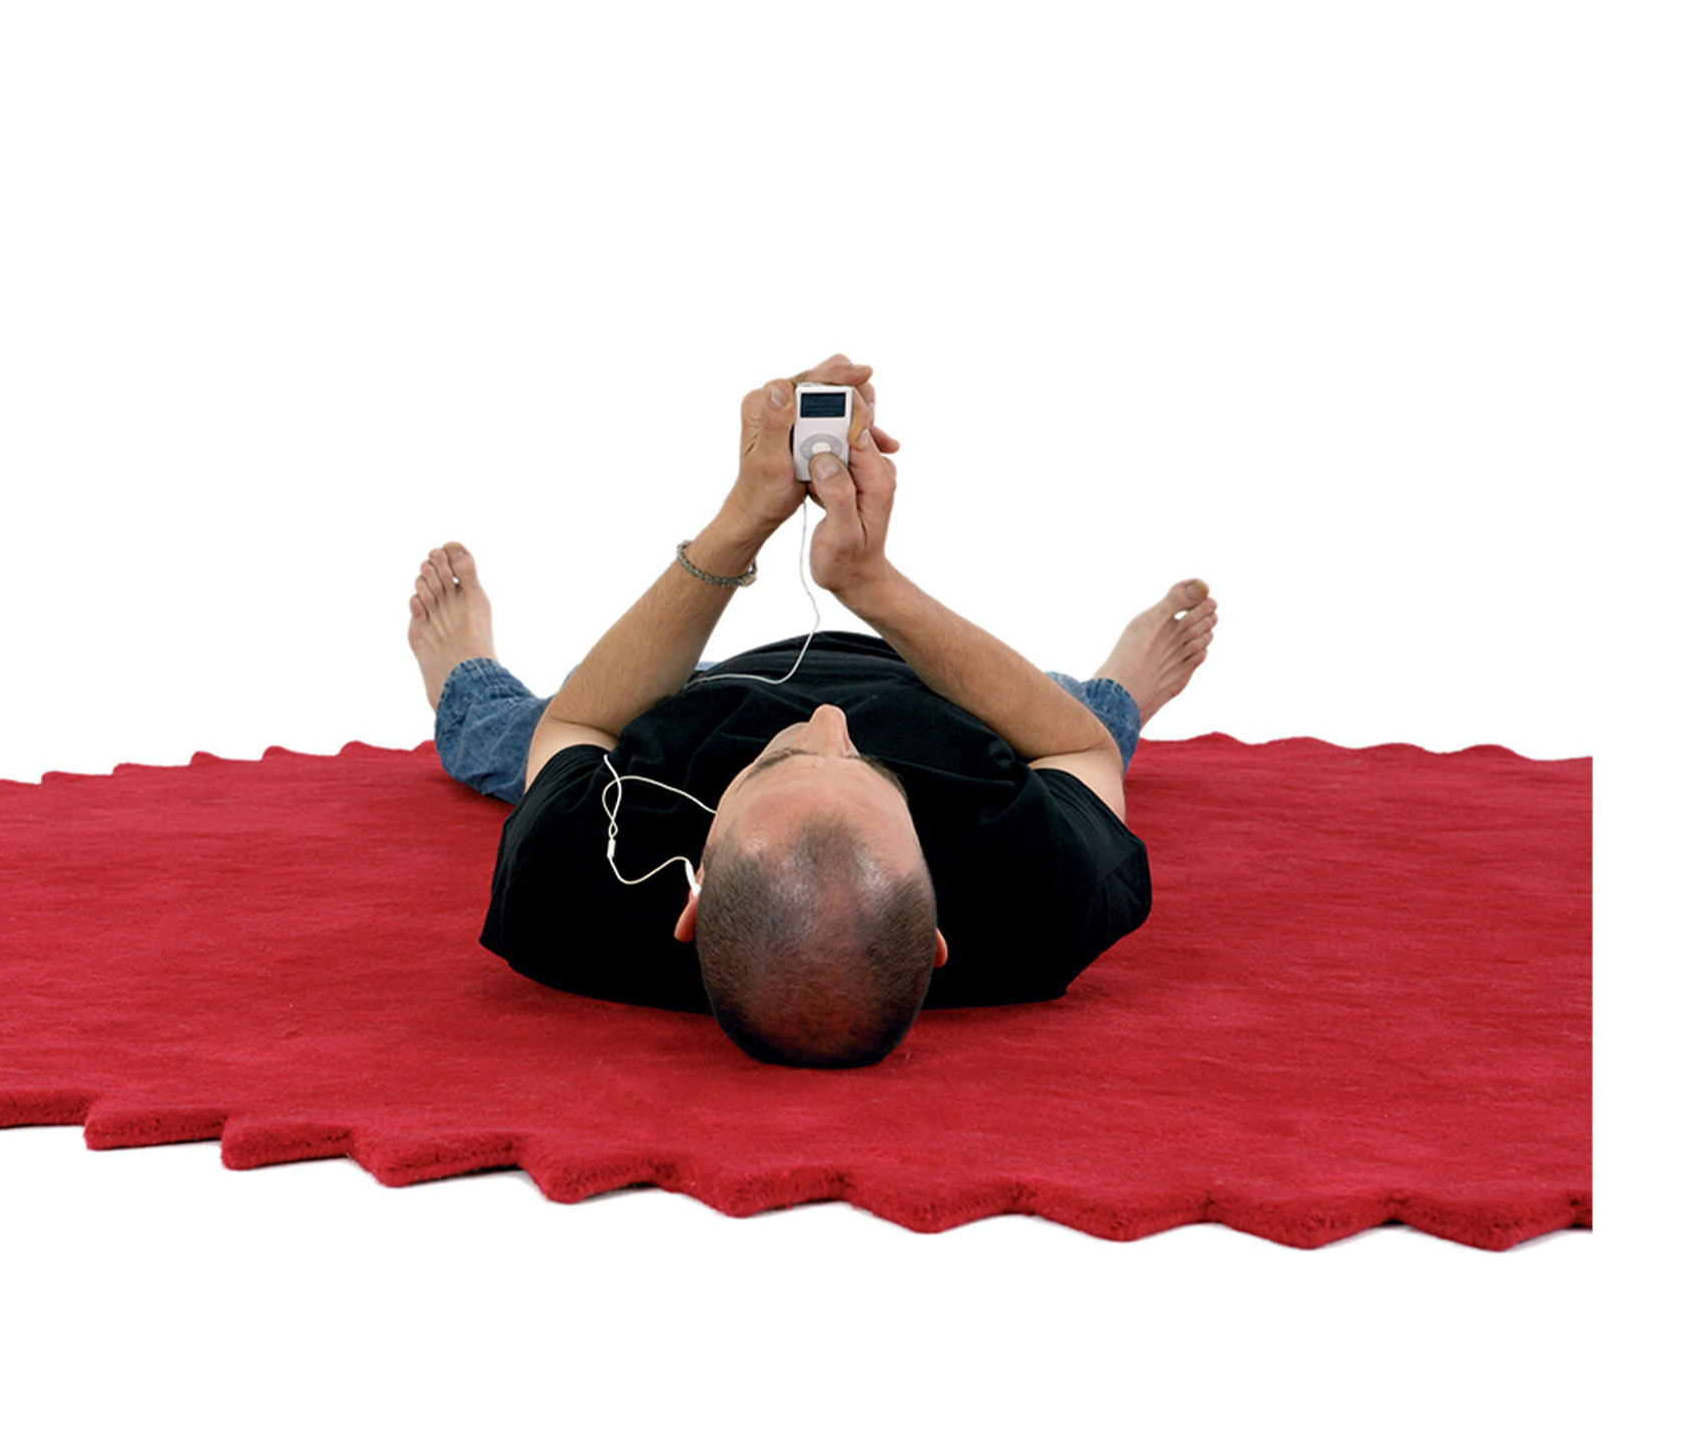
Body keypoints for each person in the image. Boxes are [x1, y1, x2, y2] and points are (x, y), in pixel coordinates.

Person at [404, 355, 1220, 1069]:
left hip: (696, 698)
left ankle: (468, 675)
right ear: (937, 929)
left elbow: (580, 728)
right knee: (1089, 721)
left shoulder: (574, 881)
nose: (830, 718)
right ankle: (1119, 686)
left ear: (692, 901)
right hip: (937, 695)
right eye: (867, 767)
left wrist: (744, 517)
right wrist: (872, 586)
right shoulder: (1037, 895)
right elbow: (1078, 753)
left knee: (515, 737)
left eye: (782, 759)